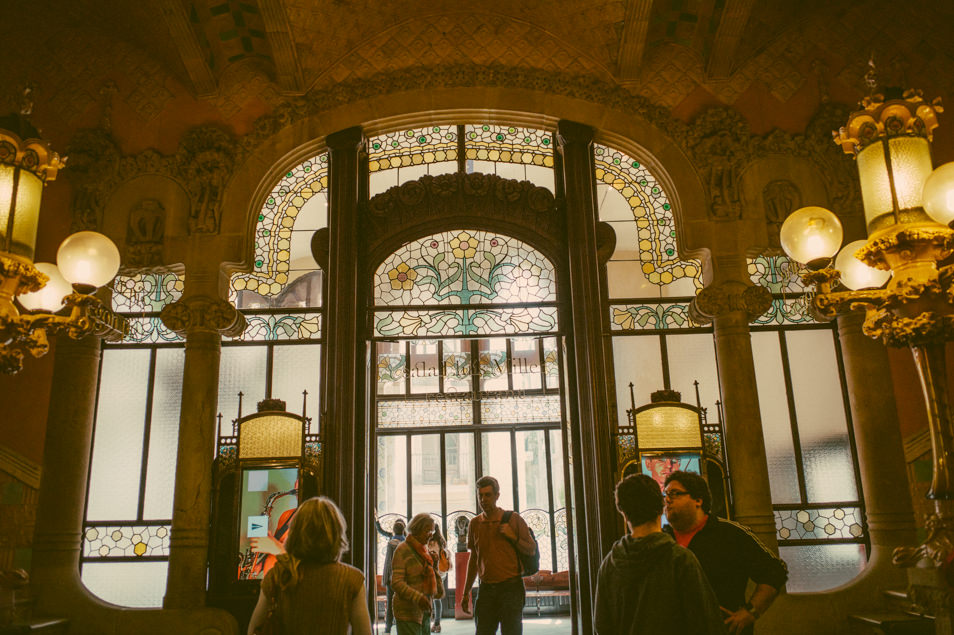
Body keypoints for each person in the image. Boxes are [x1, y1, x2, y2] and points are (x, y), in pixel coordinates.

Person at [594, 474, 725, 634]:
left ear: (624, 513)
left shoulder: (609, 564)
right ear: (661, 505)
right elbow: (707, 625)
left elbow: (602, 626)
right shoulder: (680, 559)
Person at [663, 471, 788, 635]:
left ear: (698, 500)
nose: (667, 499)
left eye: (675, 493)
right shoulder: (663, 540)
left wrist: (751, 612)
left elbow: (775, 571)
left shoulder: (730, 534)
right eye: (665, 494)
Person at [247, 496, 371, 635]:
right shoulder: (352, 579)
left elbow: (254, 630)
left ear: (295, 533)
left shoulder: (277, 575)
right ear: (337, 533)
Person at [461, 476, 536, 635]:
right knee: (483, 631)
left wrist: (513, 537)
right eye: (480, 495)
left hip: (511, 588)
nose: (483, 499)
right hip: (487, 589)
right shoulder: (475, 524)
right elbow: (474, 559)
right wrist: (466, 591)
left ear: (497, 496)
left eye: (488, 495)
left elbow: (531, 549)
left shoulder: (513, 519)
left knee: (511, 632)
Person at [391, 513, 444, 635]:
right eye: (428, 531)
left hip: (424, 611)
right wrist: (418, 597)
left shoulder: (423, 549)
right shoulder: (402, 549)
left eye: (431, 531)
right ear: (417, 529)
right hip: (407, 612)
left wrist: (434, 564)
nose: (431, 535)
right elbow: (397, 583)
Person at [376, 514, 407, 634]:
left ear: (393, 530)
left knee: (390, 604)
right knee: (403, 605)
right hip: (404, 579)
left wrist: (376, 520)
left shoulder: (390, 543)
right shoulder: (407, 543)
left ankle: (388, 629)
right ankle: (402, 629)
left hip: (391, 578)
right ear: (403, 530)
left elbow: (388, 564)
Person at [427, 528, 452, 633]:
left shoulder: (431, 543)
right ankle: (437, 624)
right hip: (442, 573)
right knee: (437, 599)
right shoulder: (442, 541)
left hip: (433, 573)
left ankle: (428, 622)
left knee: (429, 598)